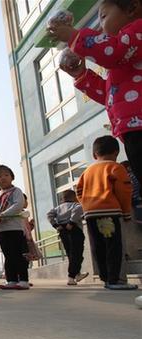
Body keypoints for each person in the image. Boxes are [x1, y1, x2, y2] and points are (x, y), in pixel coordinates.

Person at [48, 0, 142, 182]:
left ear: (132, 8)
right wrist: (82, 76)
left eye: (104, 16)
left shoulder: (138, 30)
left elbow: (114, 51)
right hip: (133, 130)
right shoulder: (126, 57)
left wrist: (74, 37)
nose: (100, 26)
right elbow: (111, 95)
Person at [77, 136, 137, 290]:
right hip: (110, 212)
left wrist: (86, 205)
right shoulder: (115, 167)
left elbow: (79, 191)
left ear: (94, 155)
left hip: (90, 214)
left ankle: (105, 278)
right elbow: (124, 191)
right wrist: (126, 212)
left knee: (99, 246)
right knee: (114, 245)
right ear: (116, 152)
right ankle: (116, 279)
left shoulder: (87, 171)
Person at [0, 159, 30, 290]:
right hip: (2, 230)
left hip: (15, 229)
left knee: (18, 254)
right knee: (8, 255)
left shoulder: (16, 191)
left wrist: (2, 215)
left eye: (6, 175)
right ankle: (11, 280)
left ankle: (23, 280)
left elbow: (18, 205)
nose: (3, 178)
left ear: (12, 177)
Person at [47, 189, 88, 286]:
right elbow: (78, 210)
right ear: (74, 198)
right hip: (74, 229)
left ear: (62, 199)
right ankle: (71, 277)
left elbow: (49, 214)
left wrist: (55, 225)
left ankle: (77, 274)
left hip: (62, 230)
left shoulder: (57, 208)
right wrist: (72, 222)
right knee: (77, 253)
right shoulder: (75, 205)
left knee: (70, 253)